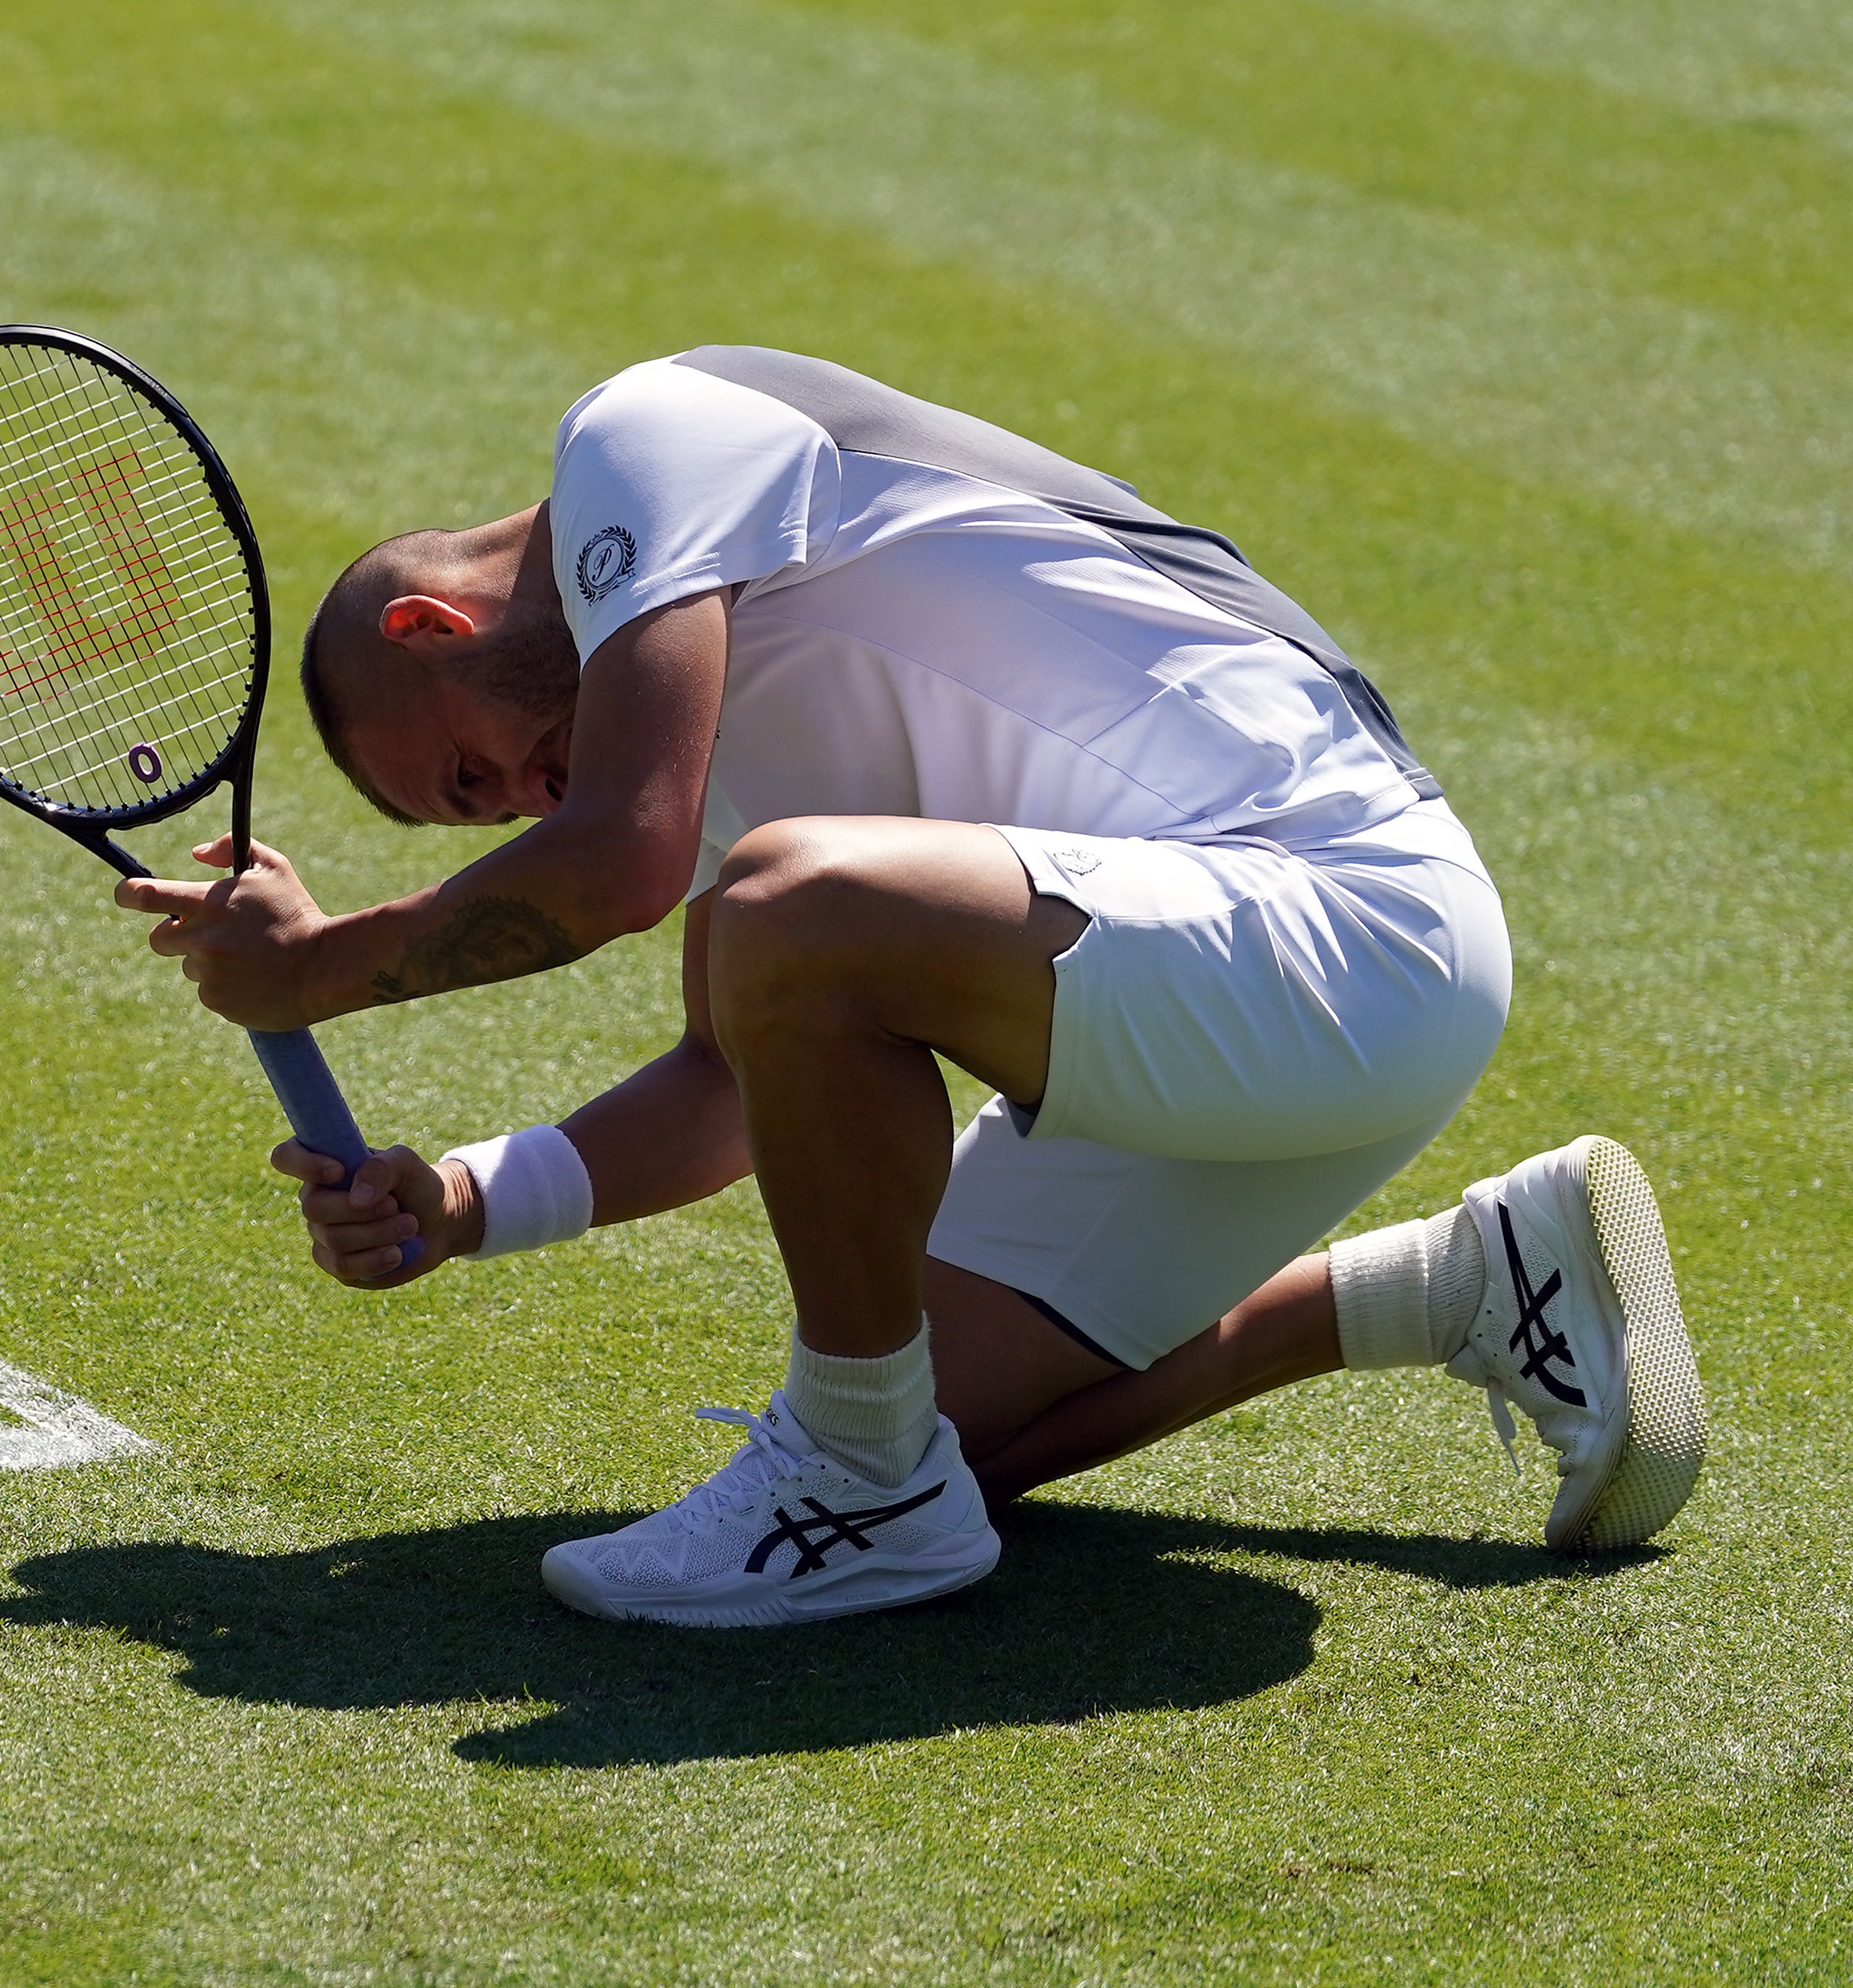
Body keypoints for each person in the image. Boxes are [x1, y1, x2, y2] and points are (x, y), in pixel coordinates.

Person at [111, 347, 1706, 1629]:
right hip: (1208, 1004)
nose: (522, 799)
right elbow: (732, 1082)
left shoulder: (647, 430)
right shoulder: (709, 725)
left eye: (473, 772)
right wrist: (462, 1199)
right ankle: (1466, 1279)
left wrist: (316, 971)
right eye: (491, 807)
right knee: (961, 1435)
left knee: (789, 909)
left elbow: (619, 861)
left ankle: (850, 1478)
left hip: (1348, 930)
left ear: (432, 625)